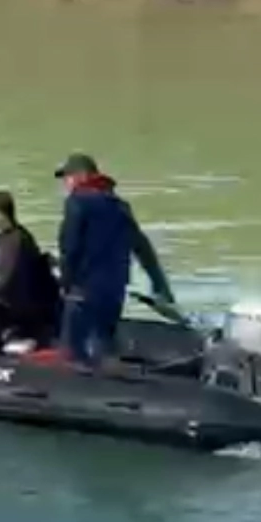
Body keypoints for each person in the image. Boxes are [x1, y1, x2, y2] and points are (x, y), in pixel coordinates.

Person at [53, 152, 176, 365]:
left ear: (82, 175)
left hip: (83, 291)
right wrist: (159, 284)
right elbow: (141, 247)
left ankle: (79, 377)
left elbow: (70, 248)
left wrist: (65, 283)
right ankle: (111, 376)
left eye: (68, 177)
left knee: (72, 352)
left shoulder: (77, 202)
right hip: (114, 290)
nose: (66, 183)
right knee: (103, 342)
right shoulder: (120, 206)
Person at [0, 190, 61, 352]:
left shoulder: (17, 240)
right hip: (2, 296)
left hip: (19, 303)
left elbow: (6, 281)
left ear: (1, 214)